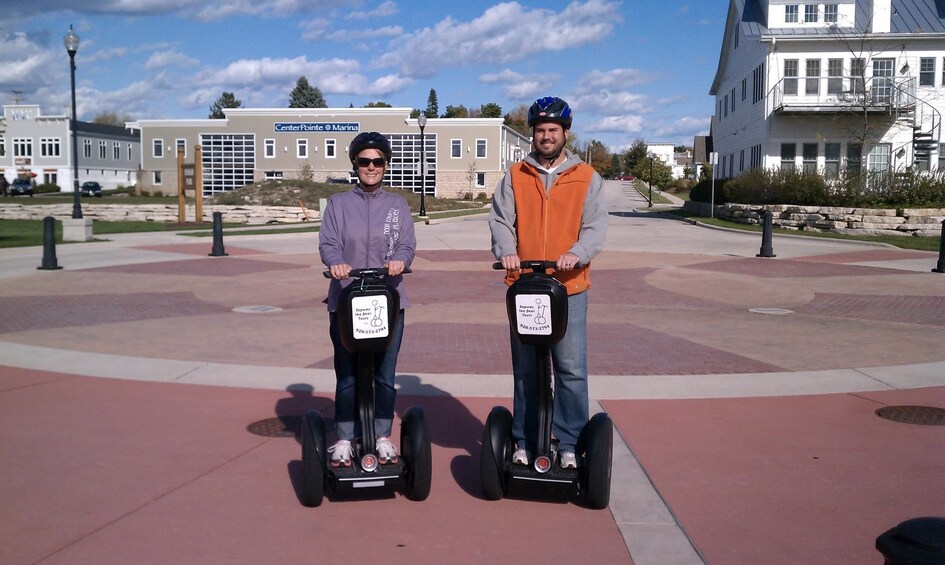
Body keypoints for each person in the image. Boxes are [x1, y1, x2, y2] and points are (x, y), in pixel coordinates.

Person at [488, 96, 608, 469]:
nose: (546, 136)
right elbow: (500, 221)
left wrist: (578, 253)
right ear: (533, 135)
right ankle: (524, 439)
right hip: (525, 286)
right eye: (540, 130)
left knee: (570, 368)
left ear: (565, 133)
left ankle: (569, 441)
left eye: (553, 130)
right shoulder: (515, 175)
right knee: (526, 369)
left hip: (568, 287)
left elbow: (595, 228)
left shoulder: (587, 177)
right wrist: (507, 250)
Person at [318, 131, 417, 468]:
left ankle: (382, 436)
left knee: (383, 375)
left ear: (386, 165)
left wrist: (400, 260)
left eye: (377, 161)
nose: (371, 167)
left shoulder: (398, 206)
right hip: (347, 299)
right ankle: (344, 438)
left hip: (388, 299)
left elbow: (406, 244)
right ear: (355, 164)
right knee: (347, 374)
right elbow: (329, 243)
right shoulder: (338, 204)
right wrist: (336, 263)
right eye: (364, 161)